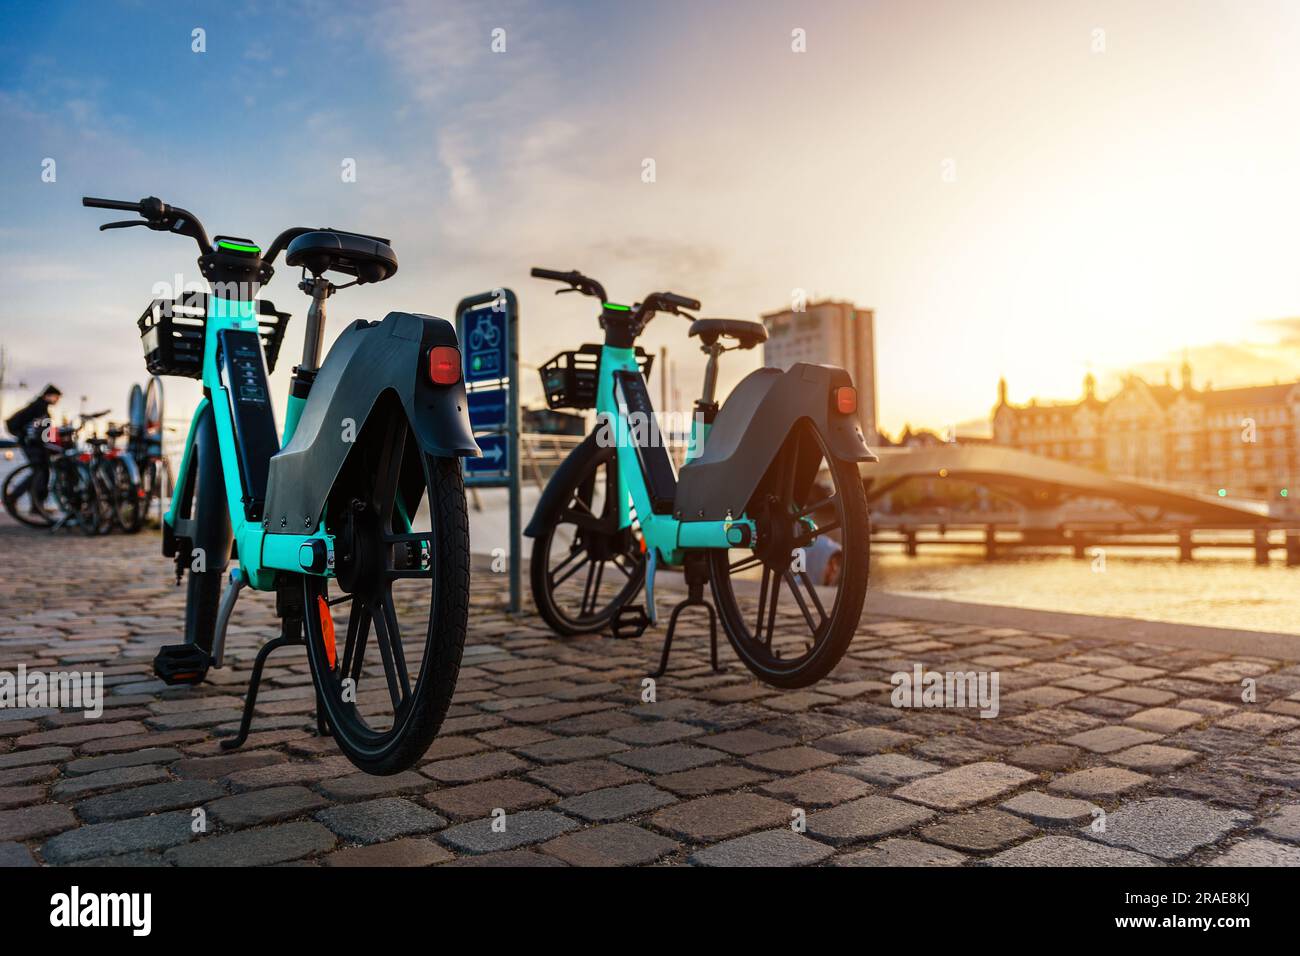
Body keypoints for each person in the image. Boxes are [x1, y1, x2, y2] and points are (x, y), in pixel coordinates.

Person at [5, 384, 62, 513]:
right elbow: (41, 429)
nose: (57, 400)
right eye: (56, 397)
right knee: (40, 472)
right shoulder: (40, 407)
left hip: (31, 442)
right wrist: (49, 442)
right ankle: (16, 498)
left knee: (40, 472)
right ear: (48, 395)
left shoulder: (38, 406)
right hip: (32, 444)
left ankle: (35, 505)